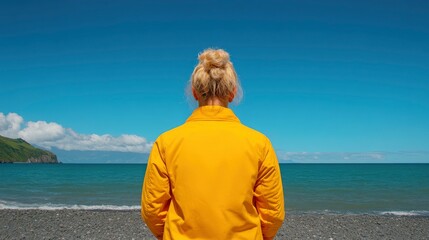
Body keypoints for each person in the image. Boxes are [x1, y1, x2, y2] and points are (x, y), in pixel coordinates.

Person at [141, 48, 285, 240]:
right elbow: (272, 212)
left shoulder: (166, 142)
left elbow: (152, 210)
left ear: (194, 93)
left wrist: (168, 235)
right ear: (232, 93)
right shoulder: (259, 143)